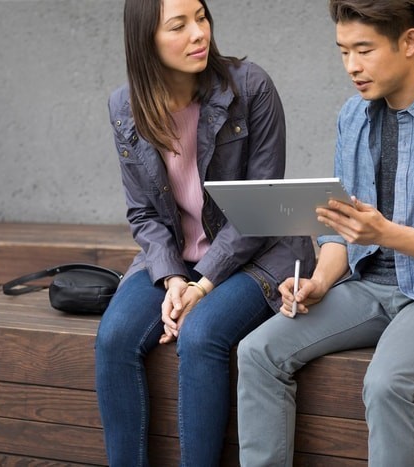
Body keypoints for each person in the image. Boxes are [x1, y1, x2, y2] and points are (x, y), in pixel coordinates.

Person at [236, 0, 414, 465]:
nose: (351, 66)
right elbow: (339, 227)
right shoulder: (354, 115)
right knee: (257, 352)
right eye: (343, 51)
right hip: (369, 286)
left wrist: (385, 234)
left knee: (386, 383)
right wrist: (319, 282)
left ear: (409, 42)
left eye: (364, 50)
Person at [94, 0, 315, 466]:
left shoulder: (249, 87)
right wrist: (174, 278)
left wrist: (202, 284)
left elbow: (261, 206)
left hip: (259, 253)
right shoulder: (125, 106)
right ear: (146, 41)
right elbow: (143, 214)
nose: (199, 33)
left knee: (201, 333)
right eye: (179, 25)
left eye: (201, 17)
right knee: (114, 338)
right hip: (177, 258)